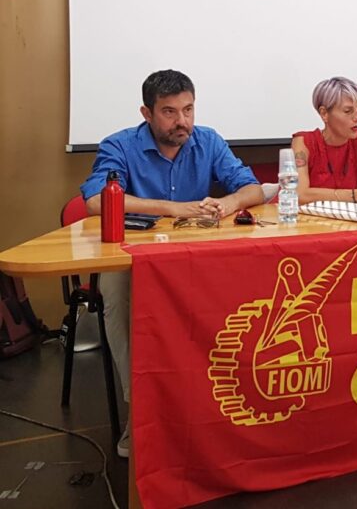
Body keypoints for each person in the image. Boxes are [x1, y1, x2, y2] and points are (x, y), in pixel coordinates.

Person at [80, 69, 265, 457]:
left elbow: (253, 188)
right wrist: (171, 207)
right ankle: (140, 411)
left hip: (191, 259)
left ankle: (216, 406)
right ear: (146, 114)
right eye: (169, 112)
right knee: (116, 293)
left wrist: (228, 203)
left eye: (188, 110)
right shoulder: (119, 145)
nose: (182, 121)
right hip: (133, 256)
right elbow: (96, 200)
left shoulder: (208, 140)